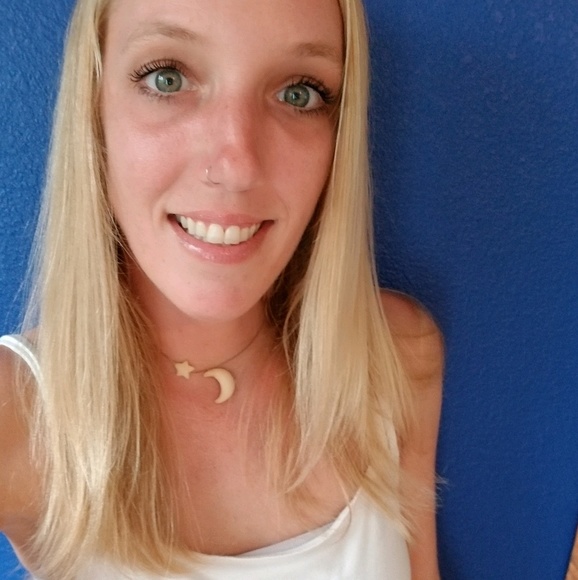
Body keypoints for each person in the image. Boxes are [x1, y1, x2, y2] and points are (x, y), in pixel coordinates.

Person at [0, 0, 443, 578]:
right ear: (94, 109)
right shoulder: (18, 413)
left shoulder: (394, 357)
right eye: (167, 78)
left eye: (299, 94)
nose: (237, 166)